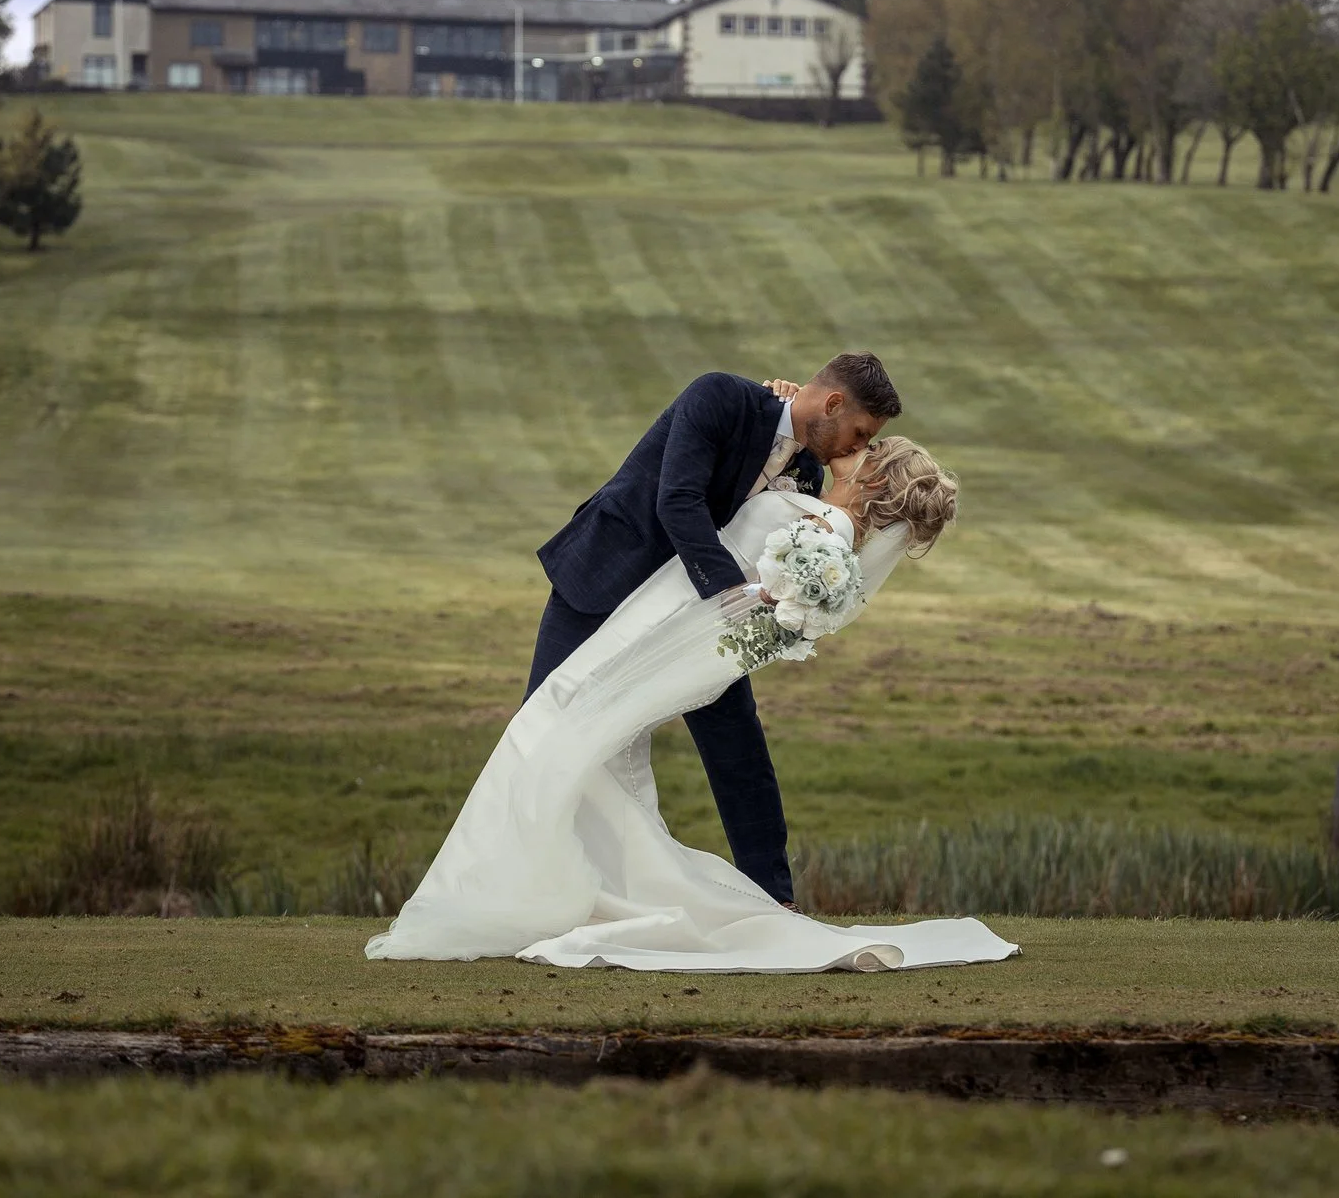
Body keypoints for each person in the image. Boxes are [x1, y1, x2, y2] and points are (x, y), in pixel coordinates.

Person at [366, 418, 1017, 972]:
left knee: (551, 746)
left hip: (650, 637)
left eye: (868, 452)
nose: (854, 449)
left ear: (876, 481)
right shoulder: (826, 536)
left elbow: (737, 578)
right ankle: (558, 889)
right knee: (571, 758)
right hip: (646, 632)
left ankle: (532, 895)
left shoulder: (820, 539)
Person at [523, 354, 899, 904]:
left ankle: (776, 899)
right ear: (834, 403)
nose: (856, 448)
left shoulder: (811, 471)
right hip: (606, 578)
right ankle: (535, 887)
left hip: (690, 616)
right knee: (543, 723)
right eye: (859, 433)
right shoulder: (719, 396)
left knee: (736, 741)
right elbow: (677, 501)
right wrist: (734, 599)